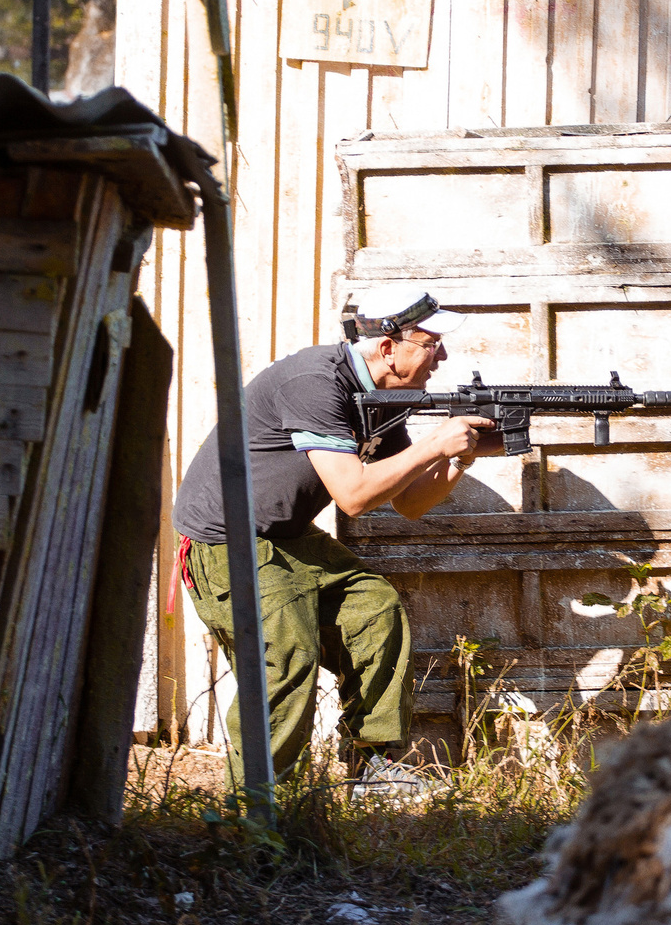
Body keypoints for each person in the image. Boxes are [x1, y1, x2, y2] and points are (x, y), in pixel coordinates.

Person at [171, 285, 495, 793]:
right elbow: (354, 496)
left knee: (374, 609)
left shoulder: (382, 397)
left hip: (288, 535)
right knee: (287, 655)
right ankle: (257, 802)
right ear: (388, 347)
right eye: (432, 343)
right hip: (226, 539)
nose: (443, 356)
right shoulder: (314, 384)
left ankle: (373, 767)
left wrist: (459, 457)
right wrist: (434, 442)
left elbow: (409, 502)